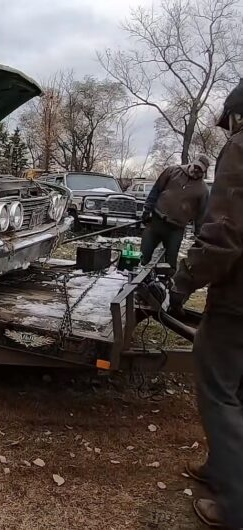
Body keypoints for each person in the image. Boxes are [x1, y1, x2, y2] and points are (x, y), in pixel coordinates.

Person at [170, 79, 243, 529]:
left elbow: (223, 235)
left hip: (238, 301)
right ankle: (221, 469)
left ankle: (236, 505)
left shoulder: (240, 148)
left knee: (218, 391)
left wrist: (182, 283)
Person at [141, 154, 211, 270]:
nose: (196, 171)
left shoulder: (203, 190)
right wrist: (147, 210)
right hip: (157, 221)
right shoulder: (172, 171)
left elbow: (201, 215)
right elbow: (156, 190)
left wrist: (199, 235)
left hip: (176, 229)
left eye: (200, 170)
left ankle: (166, 286)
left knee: (170, 265)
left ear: (204, 172)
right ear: (192, 163)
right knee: (142, 257)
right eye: (196, 167)